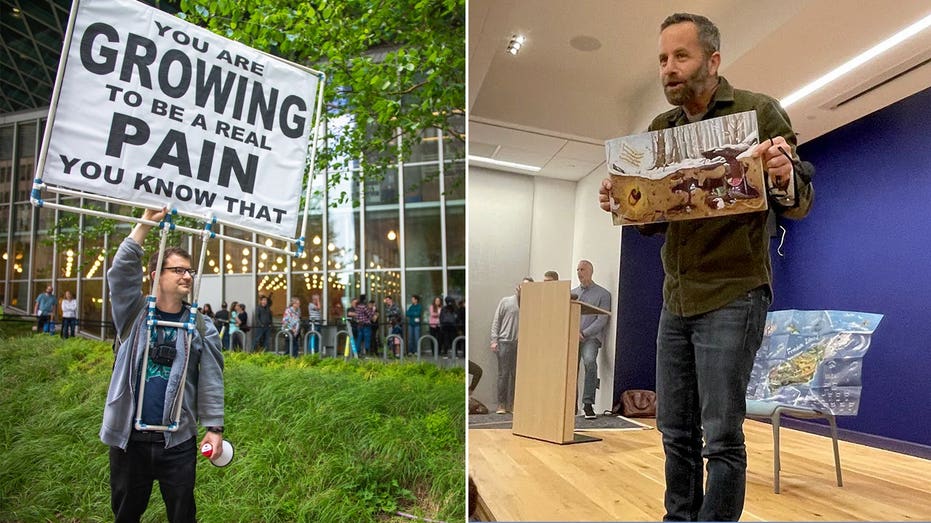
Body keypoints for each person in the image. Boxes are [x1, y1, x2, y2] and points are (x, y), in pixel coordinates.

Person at [597, 13, 813, 521]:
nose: (668, 69)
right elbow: (651, 222)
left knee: (720, 434)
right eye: (662, 59)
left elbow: (798, 201)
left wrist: (782, 172)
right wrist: (622, 200)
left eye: (681, 57)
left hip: (734, 293)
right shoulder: (660, 130)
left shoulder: (758, 112)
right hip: (677, 297)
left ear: (712, 62)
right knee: (673, 428)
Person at [101, 206, 224, 522]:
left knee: (183, 515)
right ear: (156, 275)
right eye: (178, 270)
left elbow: (211, 378)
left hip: (177, 440)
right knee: (126, 514)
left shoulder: (201, 325)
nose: (187, 276)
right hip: (130, 439)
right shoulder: (133, 310)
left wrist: (214, 428)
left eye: (190, 271)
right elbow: (120, 271)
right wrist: (145, 224)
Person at [572, 260, 612, 420]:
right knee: (569, 370)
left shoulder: (603, 294)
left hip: (590, 338)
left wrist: (584, 333)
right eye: (577, 270)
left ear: (590, 271)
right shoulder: (573, 293)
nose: (579, 272)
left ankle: (588, 404)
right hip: (572, 338)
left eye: (582, 269)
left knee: (589, 362)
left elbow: (602, 319)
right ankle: (570, 405)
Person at [489, 278, 532, 414]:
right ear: (518, 287)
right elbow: (497, 321)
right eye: (523, 286)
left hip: (521, 344)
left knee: (517, 375)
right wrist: (494, 340)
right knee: (503, 374)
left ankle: (514, 404)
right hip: (505, 342)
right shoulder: (506, 301)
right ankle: (501, 404)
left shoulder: (532, 304)